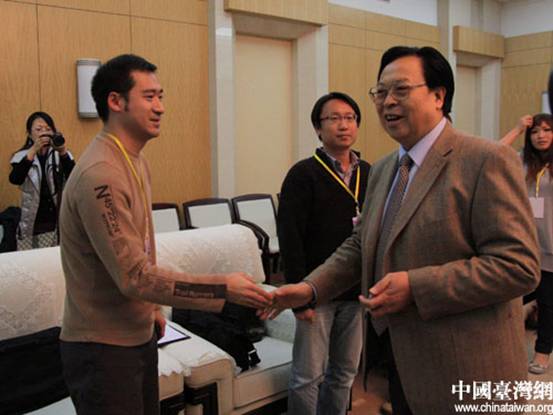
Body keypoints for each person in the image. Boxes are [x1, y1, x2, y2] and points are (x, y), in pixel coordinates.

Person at [262, 46, 540, 414]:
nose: (387, 101)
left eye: (401, 90)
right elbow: (361, 245)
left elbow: (518, 266)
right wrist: (310, 289)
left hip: (467, 368)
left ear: (438, 96)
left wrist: (415, 286)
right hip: (403, 364)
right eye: (380, 92)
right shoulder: (383, 170)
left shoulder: (485, 160)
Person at [58, 54, 272, 415]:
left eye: (161, 96)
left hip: (138, 334)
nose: (160, 107)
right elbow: (134, 276)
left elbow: (142, 246)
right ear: (116, 101)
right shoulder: (101, 174)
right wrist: (222, 289)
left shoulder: (134, 159)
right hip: (103, 347)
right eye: (149, 97)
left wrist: (154, 308)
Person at [278, 92, 370, 415]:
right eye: (334, 118)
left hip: (356, 293)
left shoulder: (369, 172)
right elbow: (289, 237)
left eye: (350, 118)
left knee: (344, 373)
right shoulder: (303, 174)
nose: (343, 125)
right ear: (318, 128)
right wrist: (299, 297)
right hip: (316, 293)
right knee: (307, 376)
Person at [500, 113, 553, 374]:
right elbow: (494, 152)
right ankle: (503, 347)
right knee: (508, 297)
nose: (541, 135)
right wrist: (518, 128)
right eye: (535, 131)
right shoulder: (522, 161)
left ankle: (542, 353)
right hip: (523, 245)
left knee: (548, 301)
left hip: (551, 247)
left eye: (547, 130)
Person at [9, 111, 75, 250]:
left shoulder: (61, 154)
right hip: (33, 219)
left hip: (58, 219)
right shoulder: (21, 156)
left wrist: (62, 152)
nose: (44, 133)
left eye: (48, 129)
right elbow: (15, 179)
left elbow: (75, 178)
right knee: (32, 259)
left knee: (57, 259)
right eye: (38, 129)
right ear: (29, 134)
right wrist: (33, 149)